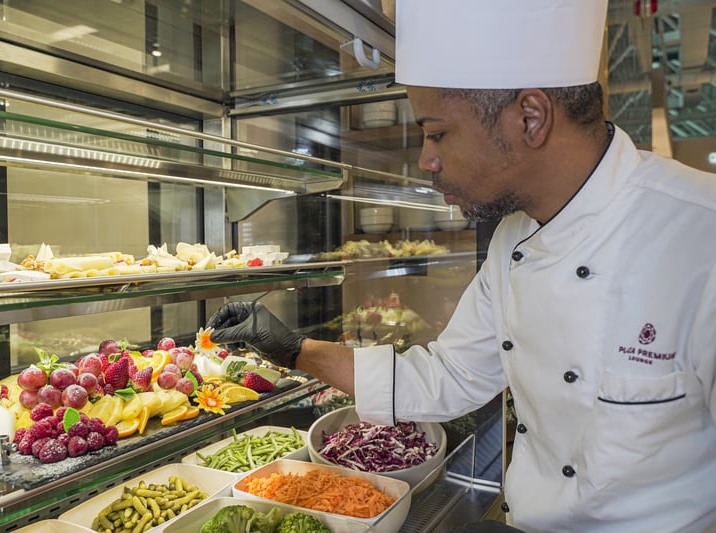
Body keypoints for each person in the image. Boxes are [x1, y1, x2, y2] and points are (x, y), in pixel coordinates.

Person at [207, 1, 716, 531]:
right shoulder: (513, 238)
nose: (427, 159)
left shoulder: (702, 234)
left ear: (531, 118)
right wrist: (294, 350)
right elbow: (451, 376)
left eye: (437, 132)